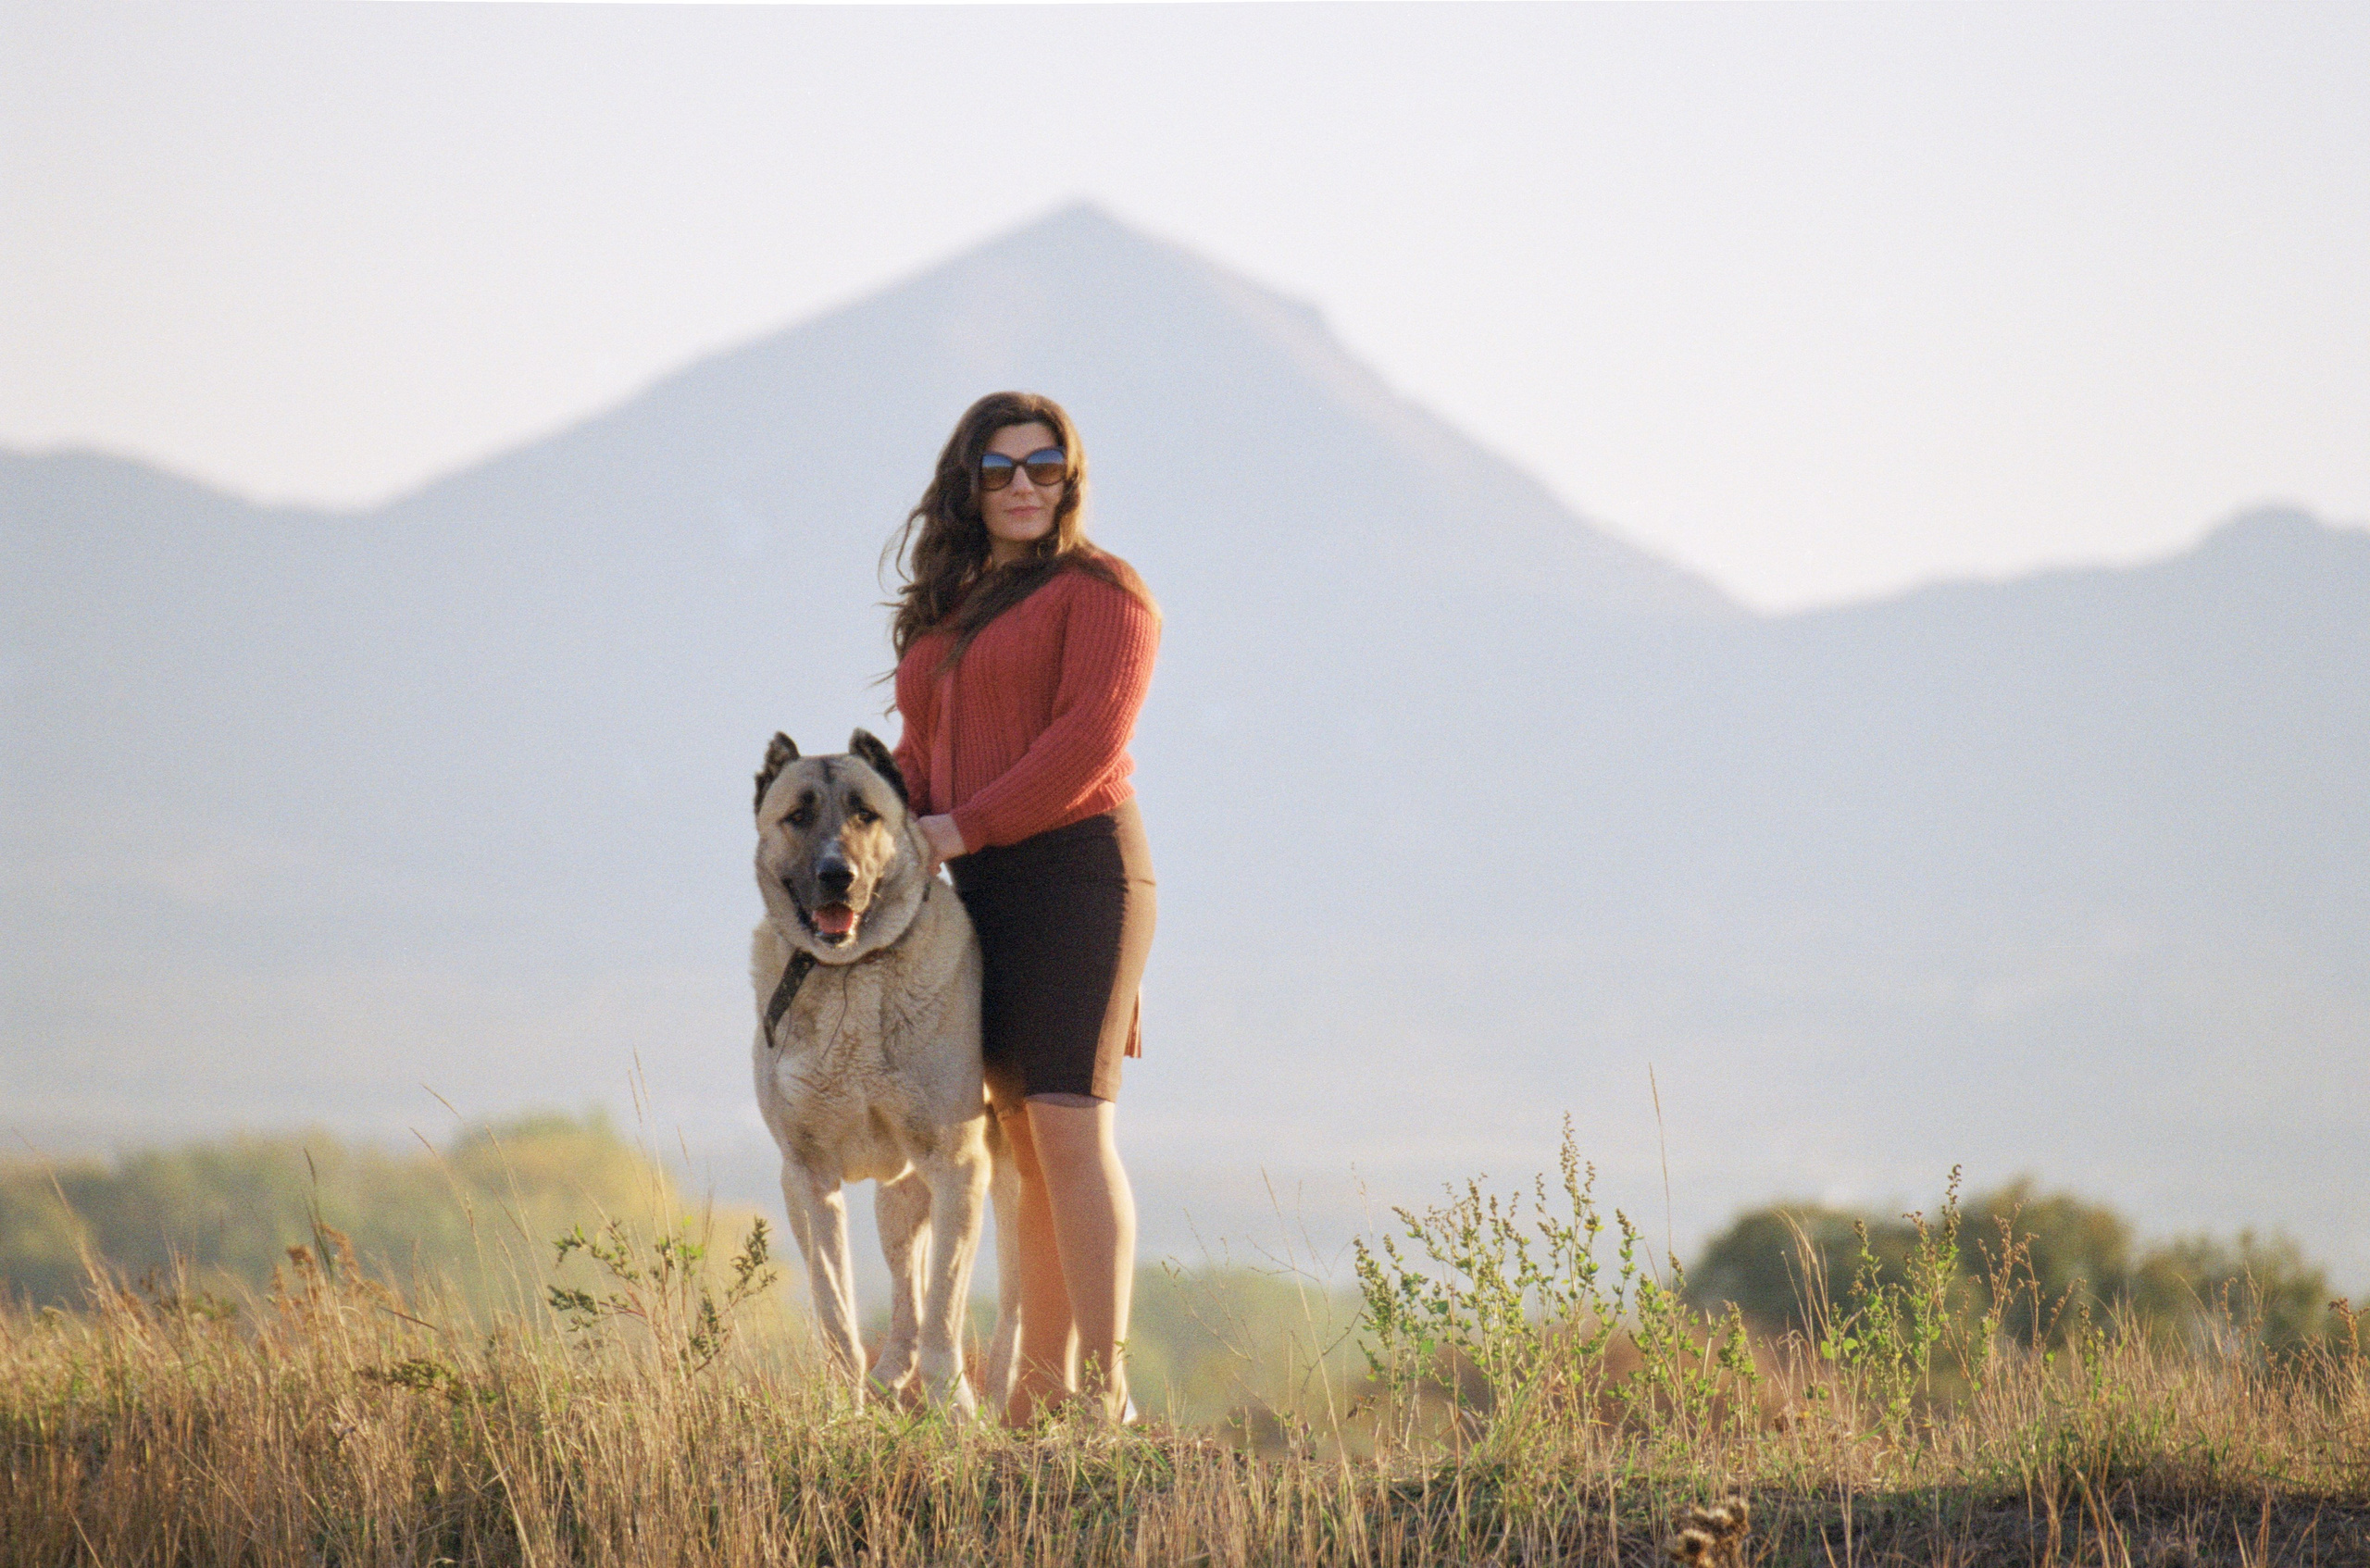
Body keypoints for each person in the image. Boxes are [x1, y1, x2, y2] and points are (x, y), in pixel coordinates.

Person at [886, 391, 1159, 1425]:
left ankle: (1105, 1391)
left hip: (1078, 873)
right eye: (998, 469)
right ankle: (1033, 1402)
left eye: (1043, 465)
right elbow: (921, 752)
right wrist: (883, 821)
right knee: (1019, 1143)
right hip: (979, 888)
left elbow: (1084, 743)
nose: (1022, 486)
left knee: (1070, 1124)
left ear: (1069, 478)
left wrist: (965, 825)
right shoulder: (953, 607)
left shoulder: (1103, 592)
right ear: (969, 484)